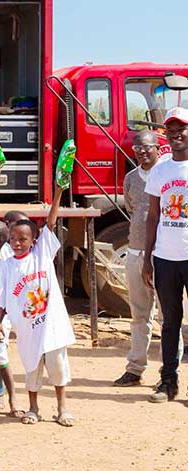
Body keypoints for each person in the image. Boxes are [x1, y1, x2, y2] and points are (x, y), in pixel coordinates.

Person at [0, 183, 75, 426]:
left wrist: (58, 192)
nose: (17, 243)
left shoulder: (42, 255)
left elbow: (50, 222)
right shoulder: (7, 266)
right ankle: (33, 407)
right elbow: (0, 297)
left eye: (23, 239)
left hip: (51, 326)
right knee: (31, 368)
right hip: (28, 328)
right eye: (13, 239)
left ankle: (62, 408)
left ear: (34, 240)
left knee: (58, 368)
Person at [144, 107, 188, 402]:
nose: (176, 136)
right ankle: (168, 382)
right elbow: (152, 216)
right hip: (165, 258)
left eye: (181, 130)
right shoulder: (160, 169)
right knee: (170, 321)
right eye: (171, 132)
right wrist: (148, 257)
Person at [114, 130, 164, 387]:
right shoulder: (131, 178)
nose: (142, 152)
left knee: (168, 318)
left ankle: (168, 374)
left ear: (158, 148)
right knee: (138, 315)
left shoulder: (167, 174)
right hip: (135, 252)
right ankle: (135, 368)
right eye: (137, 149)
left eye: (147, 147)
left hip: (164, 254)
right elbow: (134, 210)